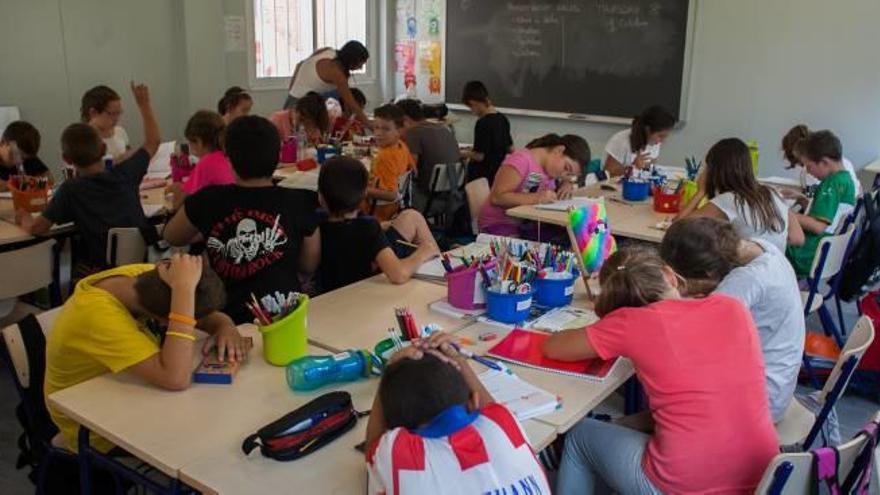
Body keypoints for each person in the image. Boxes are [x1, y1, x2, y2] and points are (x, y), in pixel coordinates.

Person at [543, 247, 778, 494]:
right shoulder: (733, 307)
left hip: (685, 484)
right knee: (631, 424)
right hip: (765, 475)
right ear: (670, 275)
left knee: (580, 436)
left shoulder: (630, 322)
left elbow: (554, 348)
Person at [45, 253, 250, 453]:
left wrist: (225, 326)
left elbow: (204, 316)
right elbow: (175, 378)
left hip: (131, 395)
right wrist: (184, 289)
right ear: (167, 321)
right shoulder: (95, 315)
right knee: (213, 439)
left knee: (221, 419)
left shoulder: (148, 279)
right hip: (94, 427)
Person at [163, 116, 321, 323]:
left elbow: (172, 235)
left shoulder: (207, 200)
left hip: (224, 321)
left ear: (228, 158)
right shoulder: (300, 201)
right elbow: (309, 264)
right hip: (286, 318)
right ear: (279, 155)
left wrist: (210, 227)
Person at [365, 332, 550, 495]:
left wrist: (390, 371)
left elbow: (372, 450)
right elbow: (492, 409)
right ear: (474, 402)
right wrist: (459, 359)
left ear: (397, 428)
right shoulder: (504, 423)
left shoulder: (398, 453)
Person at [660, 217, 805, 422]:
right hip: (778, 382)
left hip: (758, 404)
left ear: (708, 273)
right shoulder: (762, 248)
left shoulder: (745, 281)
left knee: (664, 366)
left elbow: (687, 337)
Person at [17, 82, 160, 275]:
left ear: (66, 159)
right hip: (144, 267)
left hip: (103, 273)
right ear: (103, 150)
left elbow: (37, 228)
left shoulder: (71, 189)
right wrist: (144, 104)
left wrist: (22, 216)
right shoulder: (127, 172)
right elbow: (153, 141)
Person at [317, 156, 439, 293]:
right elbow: (398, 274)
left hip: (329, 291)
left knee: (411, 216)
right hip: (366, 289)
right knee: (414, 219)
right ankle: (440, 272)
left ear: (320, 197)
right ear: (364, 193)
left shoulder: (316, 221)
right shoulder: (368, 228)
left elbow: (343, 233)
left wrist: (380, 227)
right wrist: (423, 252)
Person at [677, 137, 804, 252]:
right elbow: (798, 238)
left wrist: (700, 192)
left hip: (746, 273)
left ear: (716, 171)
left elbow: (678, 227)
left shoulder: (728, 200)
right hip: (778, 270)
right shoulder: (772, 193)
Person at [477, 134, 589, 237]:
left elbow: (548, 187)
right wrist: (537, 198)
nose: (564, 175)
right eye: (566, 168)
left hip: (525, 223)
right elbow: (497, 198)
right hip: (498, 224)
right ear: (559, 150)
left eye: (569, 175)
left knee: (571, 236)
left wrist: (567, 183)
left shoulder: (549, 170)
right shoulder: (521, 160)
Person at [786, 130, 857, 277]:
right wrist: (806, 202)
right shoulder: (845, 179)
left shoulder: (830, 185)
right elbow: (831, 213)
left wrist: (787, 212)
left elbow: (818, 226)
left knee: (769, 242)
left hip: (809, 254)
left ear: (824, 162)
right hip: (825, 250)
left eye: (809, 166)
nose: (808, 171)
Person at [285, 41, 370, 126]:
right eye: (360, 64)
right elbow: (351, 103)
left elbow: (299, 64)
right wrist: (369, 124)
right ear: (352, 60)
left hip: (294, 99)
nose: (360, 68)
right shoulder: (336, 72)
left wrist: (292, 89)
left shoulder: (328, 51)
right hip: (302, 107)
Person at [395, 98, 461, 207]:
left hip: (426, 198)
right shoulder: (444, 128)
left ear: (405, 119)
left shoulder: (413, 133)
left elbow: (408, 170)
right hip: (452, 195)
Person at [166, 110, 234, 210]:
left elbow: (180, 205)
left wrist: (176, 193)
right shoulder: (228, 158)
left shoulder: (206, 163)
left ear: (198, 141)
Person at [364, 104, 414, 221]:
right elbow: (412, 169)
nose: (378, 133)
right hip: (396, 209)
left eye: (386, 129)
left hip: (378, 211)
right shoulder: (402, 146)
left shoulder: (384, 156)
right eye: (376, 127)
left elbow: (391, 195)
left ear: (399, 131)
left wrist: (361, 190)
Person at [782, 124, 862, 197]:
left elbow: (813, 202)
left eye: (809, 166)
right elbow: (859, 188)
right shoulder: (842, 161)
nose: (808, 170)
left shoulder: (811, 172)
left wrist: (797, 199)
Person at [460, 80, 513, 185]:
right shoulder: (502, 118)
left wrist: (461, 153)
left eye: (471, 107)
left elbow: (480, 156)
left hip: (481, 176)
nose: (472, 111)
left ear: (473, 103)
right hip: (497, 175)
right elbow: (510, 148)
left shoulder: (482, 123)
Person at [603, 106, 676, 177]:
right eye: (660, 136)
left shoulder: (655, 142)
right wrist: (633, 167)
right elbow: (608, 174)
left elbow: (650, 169)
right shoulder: (621, 142)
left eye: (665, 136)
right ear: (647, 130)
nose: (662, 141)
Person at [81, 85, 131, 162]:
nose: (116, 119)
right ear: (93, 113)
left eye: (119, 113)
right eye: (112, 114)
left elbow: (129, 155)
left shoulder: (120, 131)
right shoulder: (82, 140)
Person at [0, 121, 53, 192]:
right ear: (3, 142)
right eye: (14, 154)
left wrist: (30, 184)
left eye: (24, 158)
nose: (19, 161)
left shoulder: (29, 158)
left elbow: (50, 179)